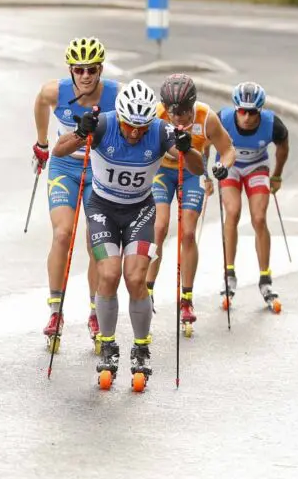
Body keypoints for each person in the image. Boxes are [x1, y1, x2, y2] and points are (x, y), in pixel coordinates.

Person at [52, 79, 204, 391]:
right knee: (108, 274)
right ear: (119, 117)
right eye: (129, 126)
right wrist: (81, 133)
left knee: (135, 279)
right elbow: (59, 150)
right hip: (102, 208)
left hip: (140, 211)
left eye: (141, 127)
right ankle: (108, 346)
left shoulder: (160, 132)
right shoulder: (104, 125)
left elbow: (198, 168)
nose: (135, 133)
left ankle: (141, 347)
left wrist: (188, 150)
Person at [32, 37, 118, 351]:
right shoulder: (55, 91)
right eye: (79, 69)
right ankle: (56, 311)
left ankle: (95, 311)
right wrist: (41, 142)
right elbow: (41, 102)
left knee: (97, 240)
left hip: (99, 172)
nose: (85, 75)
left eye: (91, 69)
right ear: (71, 70)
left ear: (100, 69)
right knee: (62, 233)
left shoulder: (115, 94)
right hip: (64, 167)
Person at [146, 74, 235, 336]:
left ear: (192, 104)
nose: (178, 117)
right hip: (162, 172)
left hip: (192, 173)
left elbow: (228, 149)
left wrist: (222, 166)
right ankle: (148, 291)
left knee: (187, 232)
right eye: (173, 111)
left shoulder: (206, 117)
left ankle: (186, 298)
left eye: (184, 110)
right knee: (159, 227)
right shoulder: (157, 114)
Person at [211, 81, 288, 313]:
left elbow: (283, 147)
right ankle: (229, 273)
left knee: (259, 219)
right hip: (230, 166)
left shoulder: (273, 124)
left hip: (257, 166)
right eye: (242, 111)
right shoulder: (222, 118)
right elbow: (205, 140)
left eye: (252, 112)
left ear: (260, 110)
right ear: (236, 109)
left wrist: (277, 176)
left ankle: (265, 278)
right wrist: (205, 176)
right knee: (232, 212)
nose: (246, 117)